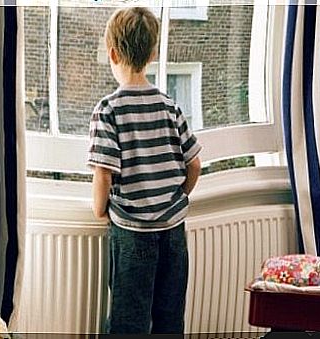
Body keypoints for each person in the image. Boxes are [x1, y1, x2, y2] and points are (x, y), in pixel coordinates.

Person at [86, 7, 202, 334]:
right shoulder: (169, 105)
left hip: (132, 232)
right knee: (169, 314)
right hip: (173, 232)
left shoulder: (109, 109)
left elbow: (103, 173)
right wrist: (177, 196)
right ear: (153, 54)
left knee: (129, 318)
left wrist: (100, 209)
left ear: (112, 53)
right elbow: (193, 163)